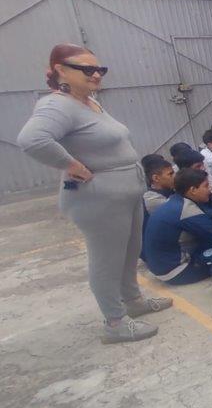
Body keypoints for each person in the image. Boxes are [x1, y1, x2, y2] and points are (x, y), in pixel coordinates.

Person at [17, 43, 171, 343]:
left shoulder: (89, 102)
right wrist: (71, 164)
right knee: (107, 260)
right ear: (61, 70)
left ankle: (133, 301)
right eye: (87, 69)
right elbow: (32, 139)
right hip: (100, 199)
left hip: (125, 194)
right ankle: (115, 322)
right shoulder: (57, 105)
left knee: (129, 251)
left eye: (100, 69)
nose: (96, 74)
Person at [143, 168, 212, 285]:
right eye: (206, 186)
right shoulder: (186, 209)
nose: (210, 189)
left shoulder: (173, 200)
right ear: (193, 190)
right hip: (177, 271)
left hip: (159, 266)